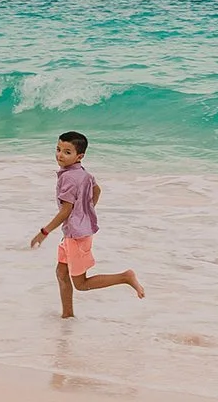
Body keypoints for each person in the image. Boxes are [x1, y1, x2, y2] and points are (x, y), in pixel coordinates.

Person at [29, 131, 145, 318]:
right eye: (58, 149)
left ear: (79, 156)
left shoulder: (68, 178)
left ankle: (125, 277)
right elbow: (97, 191)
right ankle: (67, 316)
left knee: (81, 284)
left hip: (76, 235)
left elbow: (65, 211)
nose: (60, 155)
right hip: (76, 232)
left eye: (67, 152)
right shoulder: (83, 173)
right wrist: (84, 214)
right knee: (61, 272)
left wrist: (44, 232)